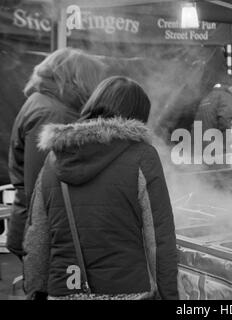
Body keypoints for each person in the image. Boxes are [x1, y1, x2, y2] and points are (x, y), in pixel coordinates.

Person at [22, 76, 179, 300]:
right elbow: (159, 238)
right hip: (127, 290)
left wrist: (35, 291)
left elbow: (37, 235)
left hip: (65, 288)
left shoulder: (54, 159)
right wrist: (169, 296)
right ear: (138, 116)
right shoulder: (143, 156)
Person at [7, 48, 106, 259]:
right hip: (43, 233)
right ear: (79, 79)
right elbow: (42, 185)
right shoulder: (52, 113)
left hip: (36, 226)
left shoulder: (45, 102)